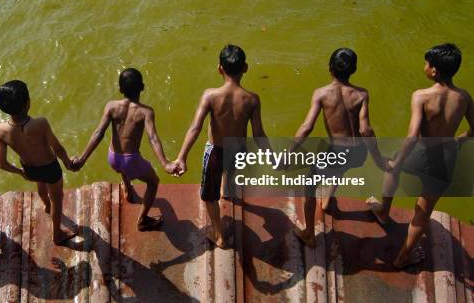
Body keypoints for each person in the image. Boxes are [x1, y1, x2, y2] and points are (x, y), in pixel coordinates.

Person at [366, 43, 473, 268]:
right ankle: (403, 258)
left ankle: (384, 211)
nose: (424, 66)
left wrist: (397, 162)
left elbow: (413, 136)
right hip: (445, 158)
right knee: (423, 212)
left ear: (433, 71)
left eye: (427, 63)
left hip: (421, 152)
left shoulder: (421, 96)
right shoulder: (464, 98)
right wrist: (458, 140)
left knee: (392, 169)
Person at [288, 48, 386, 248]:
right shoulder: (362, 94)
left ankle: (308, 233)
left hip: (337, 151)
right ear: (354, 69)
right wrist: (378, 158)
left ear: (329, 68)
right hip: (358, 152)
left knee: (309, 186)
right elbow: (365, 129)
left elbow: (307, 127)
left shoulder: (322, 93)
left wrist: (289, 153)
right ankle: (327, 201)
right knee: (341, 167)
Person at [174, 44, 268, 249]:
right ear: (245, 68)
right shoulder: (252, 99)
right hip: (239, 150)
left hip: (216, 151)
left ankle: (220, 237)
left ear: (219, 69)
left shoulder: (210, 96)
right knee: (232, 172)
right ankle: (229, 191)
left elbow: (195, 128)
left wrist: (182, 157)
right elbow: (259, 134)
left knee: (209, 196)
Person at [72, 68, 175, 231]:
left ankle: (127, 189)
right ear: (142, 87)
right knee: (153, 182)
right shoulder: (146, 112)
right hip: (130, 159)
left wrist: (83, 159)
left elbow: (98, 133)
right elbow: (153, 138)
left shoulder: (111, 106)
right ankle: (142, 221)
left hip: (113, 156)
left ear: (120, 89)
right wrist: (165, 163)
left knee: (123, 166)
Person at [0, 80, 77, 245]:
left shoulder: (0, 130)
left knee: (40, 185)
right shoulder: (40, 123)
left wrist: (20, 172)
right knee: (57, 199)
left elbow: (2, 164)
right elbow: (58, 148)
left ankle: (46, 205)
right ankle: (57, 233)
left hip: (29, 169)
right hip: (50, 168)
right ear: (28, 103)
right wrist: (68, 162)